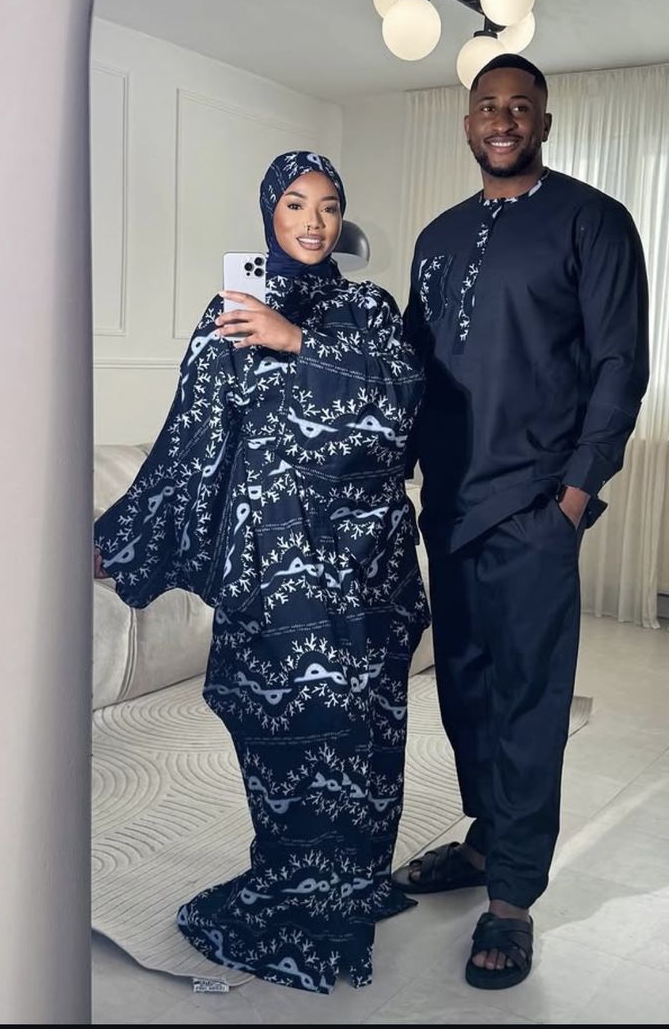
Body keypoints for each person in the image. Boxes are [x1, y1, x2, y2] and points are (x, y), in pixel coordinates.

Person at [93, 150, 429, 994]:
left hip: (362, 568)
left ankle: (350, 881)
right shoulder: (231, 309)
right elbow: (193, 435)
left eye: (328, 206)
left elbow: (400, 406)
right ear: (268, 214)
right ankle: (294, 882)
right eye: (295, 204)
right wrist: (121, 534)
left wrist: (298, 341)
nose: (313, 221)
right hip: (273, 566)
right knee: (286, 729)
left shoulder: (366, 307)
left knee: (362, 732)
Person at [393, 54, 650, 990]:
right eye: (486, 107)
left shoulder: (591, 220)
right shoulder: (437, 237)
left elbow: (618, 364)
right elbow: (412, 370)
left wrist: (574, 496)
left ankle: (510, 896)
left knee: (528, 699)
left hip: (535, 506)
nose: (501, 120)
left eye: (518, 107)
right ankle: (484, 836)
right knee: (462, 687)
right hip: (450, 506)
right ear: (467, 122)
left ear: (543, 119)